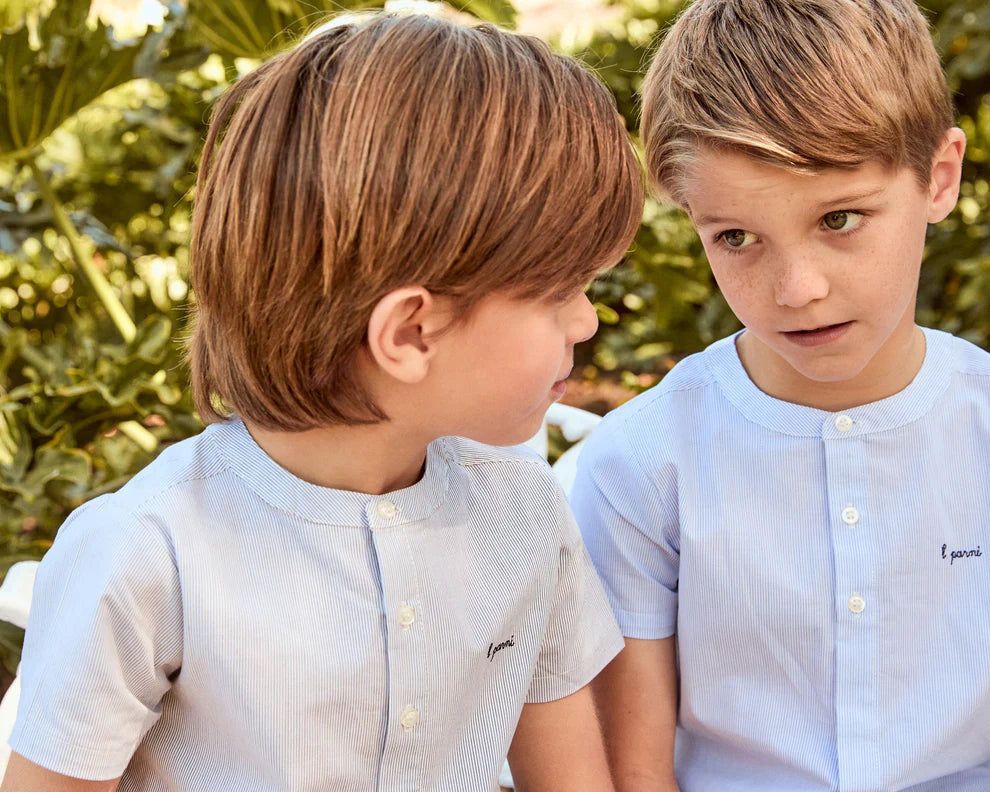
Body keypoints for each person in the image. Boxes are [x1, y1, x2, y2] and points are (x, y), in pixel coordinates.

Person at [1, 13, 644, 791]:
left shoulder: (528, 514)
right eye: (563, 293)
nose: (587, 320)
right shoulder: (146, 556)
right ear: (409, 334)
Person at [572, 0, 989, 789]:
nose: (795, 290)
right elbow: (637, 772)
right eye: (735, 237)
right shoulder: (640, 466)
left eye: (840, 218)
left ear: (939, 176)